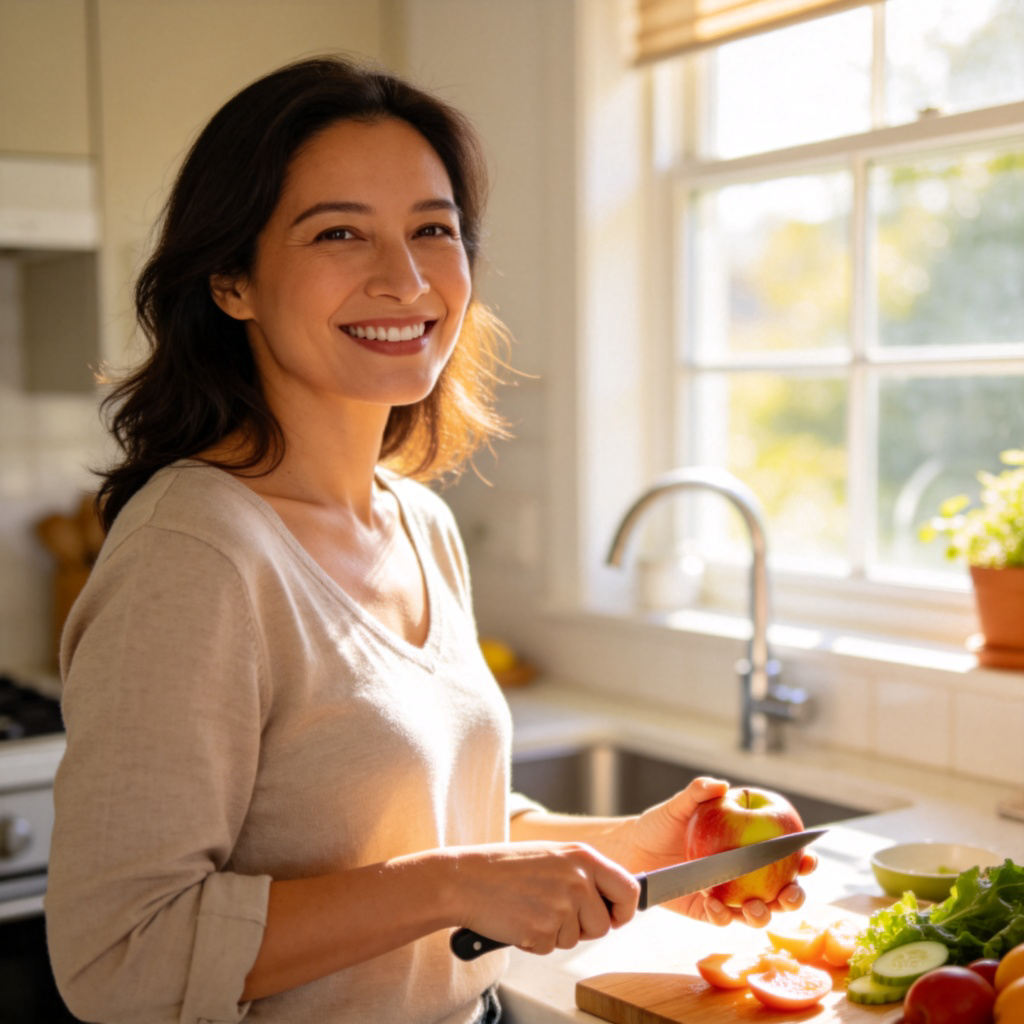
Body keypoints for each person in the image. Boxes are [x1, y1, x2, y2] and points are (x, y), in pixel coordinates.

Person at [45, 55, 814, 1024]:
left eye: (432, 230)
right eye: (338, 232)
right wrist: (449, 885)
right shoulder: (193, 553)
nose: (403, 277)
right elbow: (118, 957)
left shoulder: (416, 520)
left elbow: (428, 833)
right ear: (231, 280)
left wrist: (636, 849)